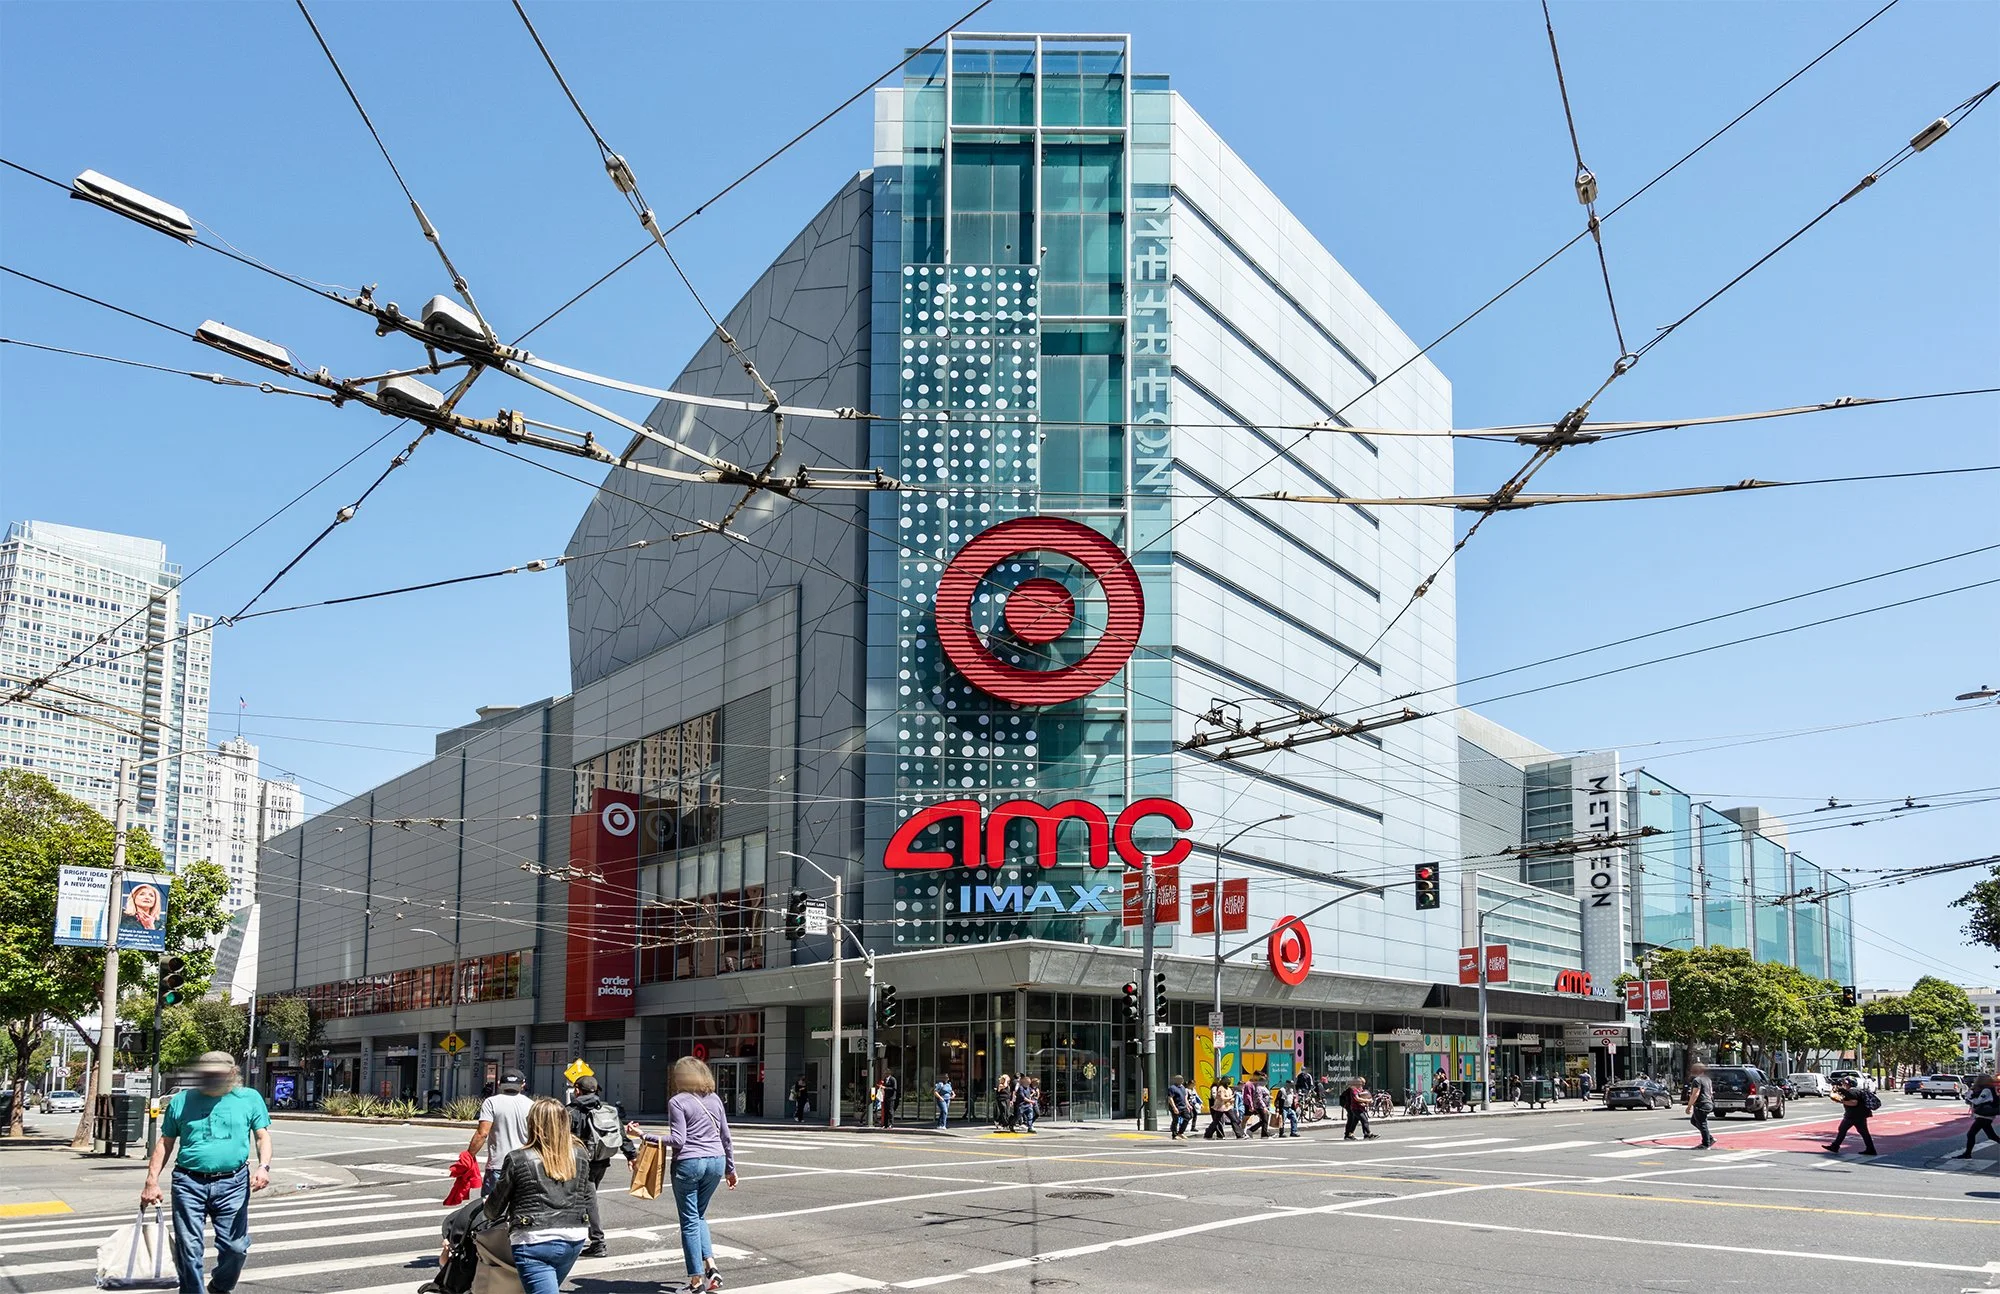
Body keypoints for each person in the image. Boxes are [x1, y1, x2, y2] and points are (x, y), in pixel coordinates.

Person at [139, 1052, 272, 1294]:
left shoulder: (249, 1098)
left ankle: (220, 1287)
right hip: (188, 1182)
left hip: (233, 1182)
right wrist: (151, 1181)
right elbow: (165, 1142)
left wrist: (263, 1166)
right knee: (189, 1248)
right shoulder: (181, 1101)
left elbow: (262, 1136)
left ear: (232, 1074)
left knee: (236, 1247)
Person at [627, 1057, 738, 1293]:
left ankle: (696, 1281)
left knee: (689, 1221)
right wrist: (731, 1169)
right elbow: (726, 1137)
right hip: (716, 1162)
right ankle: (711, 1268)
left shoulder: (678, 1101)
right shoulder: (715, 1099)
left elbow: (678, 1140)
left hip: (689, 1163)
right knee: (699, 1215)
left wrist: (643, 1135)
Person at [484, 1097, 592, 1294]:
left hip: (533, 1239)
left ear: (532, 1123)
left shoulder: (519, 1158)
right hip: (573, 1237)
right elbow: (586, 1196)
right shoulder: (579, 1154)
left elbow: (493, 1210)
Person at [566, 1075, 633, 1258]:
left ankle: (598, 1242)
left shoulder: (572, 1111)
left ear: (578, 1090)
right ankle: (582, 1236)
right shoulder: (606, 1109)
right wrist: (631, 1155)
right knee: (586, 1198)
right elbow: (621, 1134)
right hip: (602, 1161)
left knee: (588, 1201)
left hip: (581, 1164)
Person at [469, 1070, 534, 1194]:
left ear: (499, 1084)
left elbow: (482, 1134)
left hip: (499, 1165)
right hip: (525, 1165)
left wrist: (468, 1156)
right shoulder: (531, 1105)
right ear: (523, 1085)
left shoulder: (491, 1102)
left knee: (490, 1208)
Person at [1825, 1076, 1877, 1156]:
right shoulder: (1856, 1091)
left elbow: (1854, 1102)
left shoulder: (1851, 1092)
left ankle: (1835, 1146)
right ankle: (1871, 1149)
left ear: (1850, 1084)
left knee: (1842, 1129)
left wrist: (1842, 1101)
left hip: (1852, 1116)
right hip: (1860, 1115)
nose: (1843, 1084)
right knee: (1864, 1133)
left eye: (1845, 1083)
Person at [1959, 1073, 1999, 1159]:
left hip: (1984, 1116)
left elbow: (1977, 1102)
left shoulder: (1986, 1090)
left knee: (1971, 1134)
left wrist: (1969, 1097)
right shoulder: (1984, 1089)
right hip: (1984, 1116)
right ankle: (1967, 1154)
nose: (1976, 1080)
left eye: (1978, 1079)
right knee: (1991, 1136)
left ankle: (1967, 1154)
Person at [1684, 1063, 1715, 1150]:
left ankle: (1706, 1143)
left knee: (1702, 1123)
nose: (1691, 1071)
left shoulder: (1697, 1080)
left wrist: (1689, 1106)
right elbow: (1711, 1092)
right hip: (1708, 1103)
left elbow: (1695, 1094)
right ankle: (1709, 1138)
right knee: (1694, 1121)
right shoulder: (1707, 1079)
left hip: (1701, 1104)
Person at [1204, 1075, 1236, 1140]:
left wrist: (1231, 1099)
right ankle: (1211, 1134)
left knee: (1232, 1120)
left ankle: (1239, 1134)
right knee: (1217, 1121)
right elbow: (1218, 1097)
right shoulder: (1218, 1088)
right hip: (1220, 1106)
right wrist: (1229, 1098)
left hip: (1227, 1106)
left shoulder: (1227, 1088)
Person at [1166, 1075, 1195, 1139]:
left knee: (1188, 1117)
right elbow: (1170, 1098)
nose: (1181, 1080)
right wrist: (1174, 1107)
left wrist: (1188, 1105)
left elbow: (1185, 1097)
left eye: (1182, 1079)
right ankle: (1174, 1134)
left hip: (1183, 1106)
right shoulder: (1172, 1088)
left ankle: (1180, 1133)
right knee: (1175, 1120)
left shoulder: (1183, 1088)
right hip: (1176, 1106)